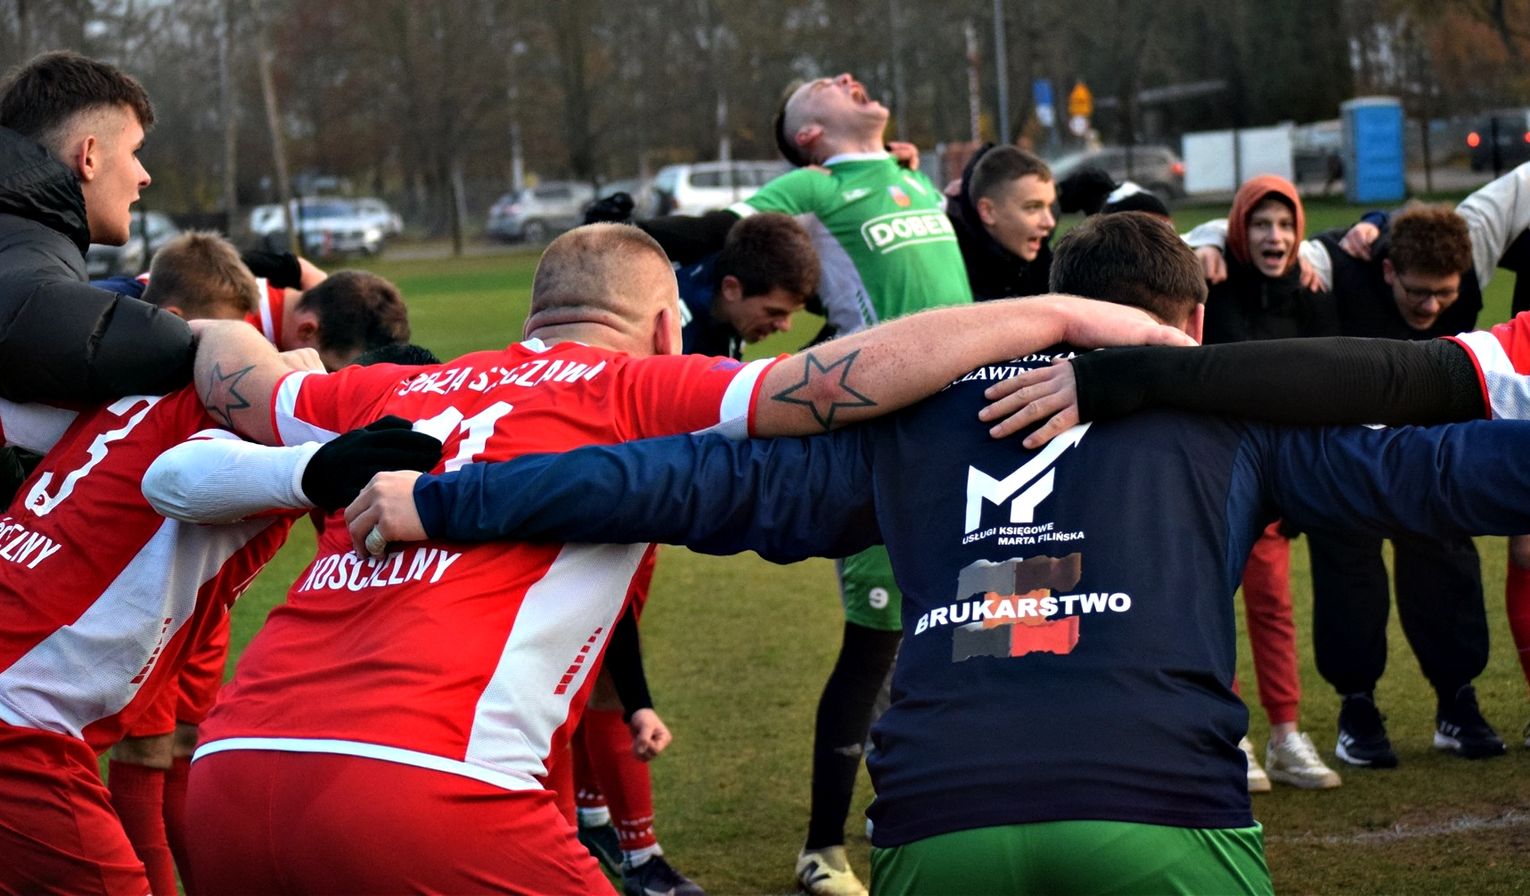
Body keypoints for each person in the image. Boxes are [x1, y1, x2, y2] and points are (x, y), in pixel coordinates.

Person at [342, 211, 1530, 895]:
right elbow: (1442, 475)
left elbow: (677, 478)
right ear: (1193, 323)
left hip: (941, 816)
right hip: (1158, 807)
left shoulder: (907, 420)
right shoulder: (1232, 418)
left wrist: (447, 498)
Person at [172, 223, 1188, 894]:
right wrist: (1059, 316)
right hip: (424, 784)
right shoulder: (637, 386)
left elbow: (224, 363)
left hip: (229, 774)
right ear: (666, 325)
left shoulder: (383, 388)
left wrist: (187, 317)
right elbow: (836, 381)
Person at [0, 259, 439, 896]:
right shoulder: (266, 419)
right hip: (21, 716)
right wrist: (314, 469)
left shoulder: (198, 376)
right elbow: (173, 477)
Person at [1188, 202, 1503, 765]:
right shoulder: (1341, 265)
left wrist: (1380, 216)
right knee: (1348, 574)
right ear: (1388, 271)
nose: (1431, 306)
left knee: (1447, 565)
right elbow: (1262, 232)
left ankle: (1457, 700)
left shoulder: (1473, 258)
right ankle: (1357, 708)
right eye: (1417, 293)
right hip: (1349, 453)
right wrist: (1212, 240)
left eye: (1445, 294)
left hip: (1429, 450)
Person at [1200, 175, 1342, 792]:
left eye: (1285, 225)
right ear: (1239, 229)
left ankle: (1286, 736)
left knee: (1273, 605)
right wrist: (1204, 243)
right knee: (1211, 606)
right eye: (1260, 223)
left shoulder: (1312, 292)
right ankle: (1232, 738)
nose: (1274, 236)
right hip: (1211, 475)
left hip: (1280, 479)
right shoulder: (1211, 280)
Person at [0, 50, 193, 402]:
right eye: (134, 152)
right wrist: (206, 339)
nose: (144, 176)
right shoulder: (24, 258)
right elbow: (24, 311)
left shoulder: (20, 235)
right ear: (89, 157)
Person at [947, 145, 1055, 302]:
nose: (1050, 222)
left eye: (1049, 206)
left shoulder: (1043, 263)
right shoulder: (953, 273)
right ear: (988, 212)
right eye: (1032, 207)